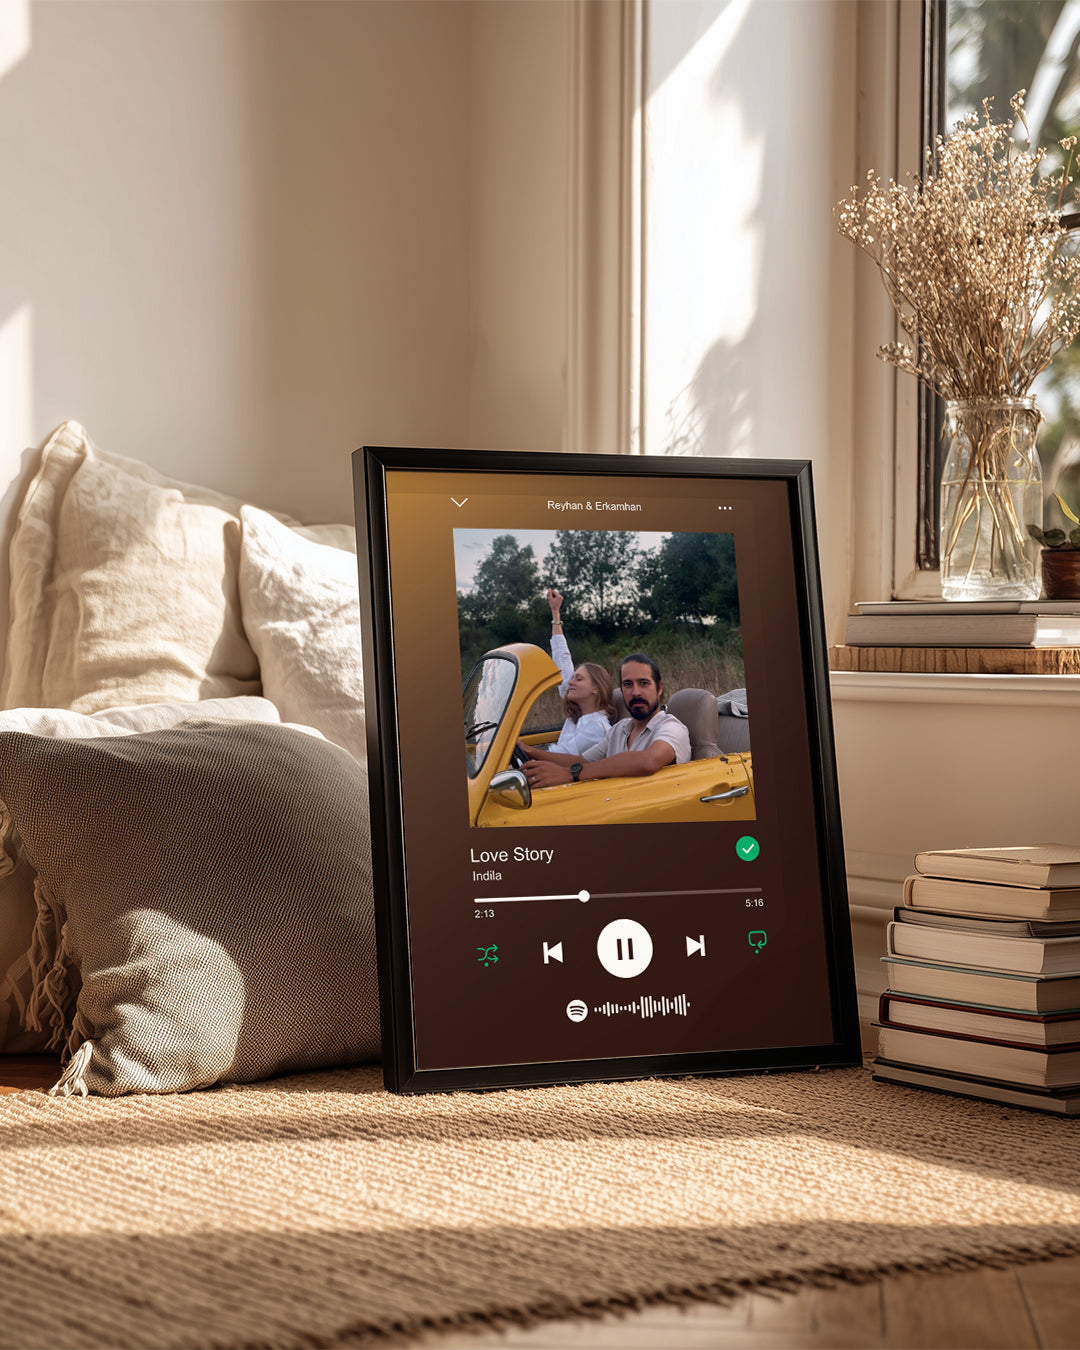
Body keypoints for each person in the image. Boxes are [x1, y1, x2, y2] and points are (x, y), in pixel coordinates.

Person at [522, 652, 690, 789]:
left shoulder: (672, 727)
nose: (636, 692)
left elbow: (648, 760)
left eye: (644, 683)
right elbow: (578, 761)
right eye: (628, 684)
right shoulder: (619, 729)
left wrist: (569, 774)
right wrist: (529, 751)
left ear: (659, 688)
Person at [544, 588, 615, 756]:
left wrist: (523, 752)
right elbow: (562, 663)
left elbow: (558, 757)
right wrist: (555, 614)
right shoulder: (577, 716)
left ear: (596, 688)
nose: (570, 682)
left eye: (579, 679)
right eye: (573, 678)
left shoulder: (597, 728)